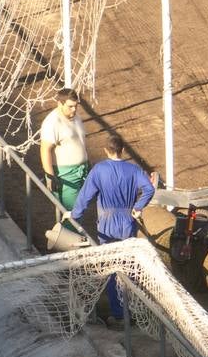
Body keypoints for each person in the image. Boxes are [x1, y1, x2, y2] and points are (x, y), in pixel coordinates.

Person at [69, 135, 156, 320]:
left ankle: (117, 313)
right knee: (127, 266)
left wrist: (73, 218)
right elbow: (149, 189)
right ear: (122, 150)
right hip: (127, 221)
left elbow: (85, 197)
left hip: (107, 223)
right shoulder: (133, 169)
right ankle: (130, 308)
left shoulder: (99, 170)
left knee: (110, 265)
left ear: (106, 151)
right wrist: (138, 207)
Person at [39, 88, 89, 211]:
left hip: (82, 171)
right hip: (66, 175)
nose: (74, 109)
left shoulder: (76, 117)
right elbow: (45, 149)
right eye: (70, 106)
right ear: (60, 103)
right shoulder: (52, 122)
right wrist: (50, 176)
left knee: (81, 210)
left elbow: (81, 142)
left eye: (76, 106)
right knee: (72, 214)